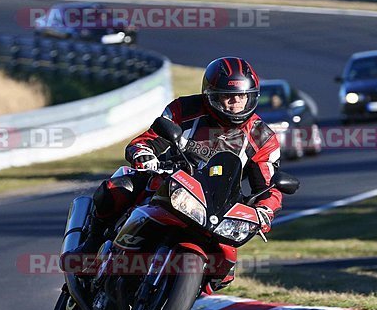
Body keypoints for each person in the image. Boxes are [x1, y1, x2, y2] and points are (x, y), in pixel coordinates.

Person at [75, 56, 283, 281]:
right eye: (228, 97)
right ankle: (90, 247)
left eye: (241, 97)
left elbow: (269, 186)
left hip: (217, 205)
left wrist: (265, 210)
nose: (235, 103)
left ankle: (184, 291)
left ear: (252, 97)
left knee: (222, 269)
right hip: (166, 182)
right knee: (117, 188)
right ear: (211, 95)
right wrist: (144, 154)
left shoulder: (262, 138)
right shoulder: (184, 109)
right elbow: (147, 140)